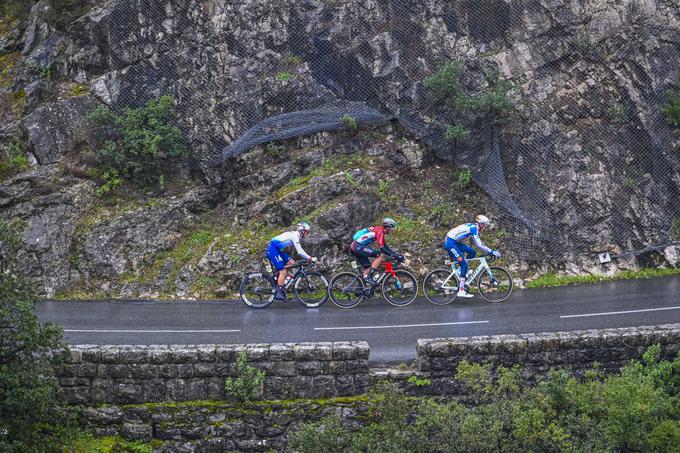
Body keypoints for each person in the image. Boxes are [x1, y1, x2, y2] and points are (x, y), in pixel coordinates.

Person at [444, 214, 501, 298]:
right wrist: (491, 251)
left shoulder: (473, 226)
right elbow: (479, 245)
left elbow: (476, 243)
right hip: (451, 243)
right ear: (481, 224)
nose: (484, 228)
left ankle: (460, 272)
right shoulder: (474, 228)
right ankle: (461, 291)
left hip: (453, 241)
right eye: (484, 226)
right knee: (464, 265)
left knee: (472, 252)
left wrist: (486, 248)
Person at [267, 222, 316, 301]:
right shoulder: (295, 236)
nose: (307, 234)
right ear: (302, 231)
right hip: (273, 249)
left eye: (308, 232)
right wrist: (310, 258)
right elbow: (299, 251)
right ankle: (279, 293)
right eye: (306, 232)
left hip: (278, 250)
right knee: (283, 271)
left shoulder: (295, 236)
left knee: (293, 263)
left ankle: (279, 278)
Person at [350, 217, 404, 284]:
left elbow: (385, 246)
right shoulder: (380, 231)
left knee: (368, 267)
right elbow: (382, 249)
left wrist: (396, 255)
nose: (392, 230)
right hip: (357, 246)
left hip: (356, 246)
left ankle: (362, 287)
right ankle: (368, 277)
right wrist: (395, 256)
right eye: (392, 228)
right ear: (388, 227)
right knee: (380, 255)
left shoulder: (379, 230)